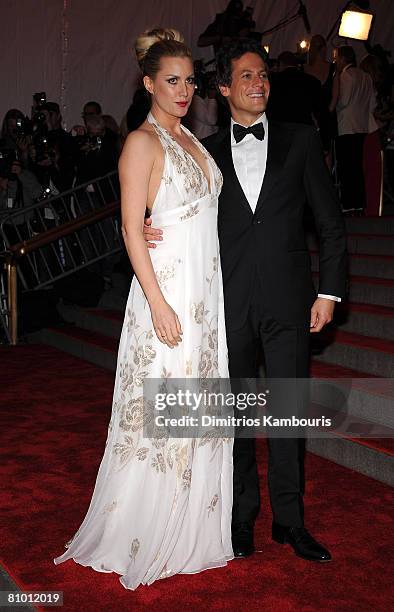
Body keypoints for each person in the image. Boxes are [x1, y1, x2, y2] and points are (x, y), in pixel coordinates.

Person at [145, 38, 347, 562]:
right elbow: (175, 210)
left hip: (289, 302)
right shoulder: (202, 150)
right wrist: (151, 230)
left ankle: (290, 522)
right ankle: (240, 520)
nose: (260, 84)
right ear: (225, 87)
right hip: (225, 303)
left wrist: (329, 290)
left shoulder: (301, 140)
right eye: (248, 76)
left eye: (264, 76)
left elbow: (329, 222)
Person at [54, 27, 233, 589]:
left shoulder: (193, 139)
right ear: (149, 83)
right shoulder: (142, 141)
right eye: (172, 82)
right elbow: (131, 228)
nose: (184, 91)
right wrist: (157, 303)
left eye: (190, 81)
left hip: (206, 299)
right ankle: (150, 528)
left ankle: (195, 535)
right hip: (169, 296)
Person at [330, 45, 378, 214]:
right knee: (357, 166)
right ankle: (359, 201)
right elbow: (373, 104)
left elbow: (342, 101)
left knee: (346, 167)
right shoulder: (366, 76)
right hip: (362, 126)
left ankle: (349, 203)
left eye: (337, 58)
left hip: (347, 126)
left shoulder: (345, 76)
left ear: (343, 59)